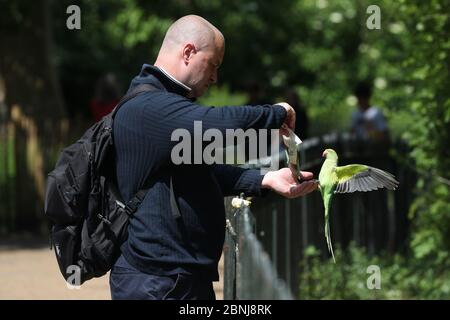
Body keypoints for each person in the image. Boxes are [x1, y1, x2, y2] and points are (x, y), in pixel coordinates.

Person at [110, 15, 318, 300]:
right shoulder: (149, 107)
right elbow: (215, 123)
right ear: (188, 52)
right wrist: (276, 113)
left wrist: (266, 178)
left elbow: (201, 169)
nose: (215, 78)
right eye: (214, 65)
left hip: (178, 279)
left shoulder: (165, 105)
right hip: (157, 284)